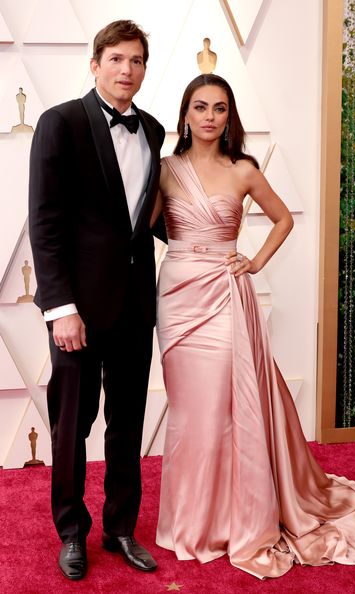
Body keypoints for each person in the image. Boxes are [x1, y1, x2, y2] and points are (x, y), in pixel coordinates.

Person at [151, 74, 355, 579]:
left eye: (220, 108)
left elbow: (283, 219)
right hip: (176, 297)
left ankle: (228, 518)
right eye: (200, 107)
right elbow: (142, 228)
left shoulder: (243, 170)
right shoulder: (165, 171)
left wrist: (255, 262)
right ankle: (189, 520)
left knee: (222, 407)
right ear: (185, 114)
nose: (209, 117)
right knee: (188, 412)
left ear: (229, 116)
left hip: (223, 295)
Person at [29, 20, 165, 581]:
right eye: (116, 59)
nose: (126, 70)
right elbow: (46, 221)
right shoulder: (60, 123)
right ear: (95, 63)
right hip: (78, 311)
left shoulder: (153, 130)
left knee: (127, 423)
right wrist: (61, 307)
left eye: (136, 61)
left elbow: (147, 221)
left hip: (135, 303)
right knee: (71, 425)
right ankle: (71, 532)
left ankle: (120, 528)